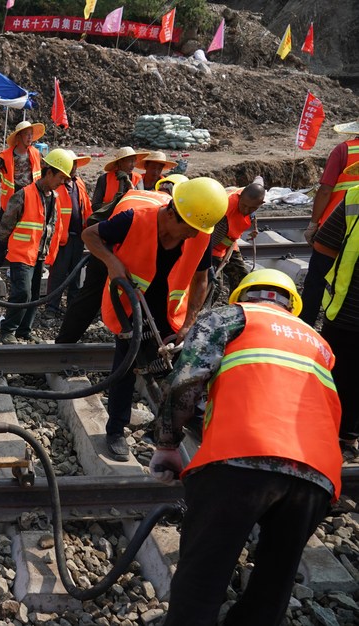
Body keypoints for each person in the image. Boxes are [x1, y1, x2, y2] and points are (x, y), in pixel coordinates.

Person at [150, 269, 341, 626]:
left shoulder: (231, 316)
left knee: (202, 577)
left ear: (243, 295)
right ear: (291, 305)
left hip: (240, 460)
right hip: (318, 474)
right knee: (273, 585)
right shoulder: (318, 341)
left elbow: (185, 381)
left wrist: (167, 444)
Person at [82, 177, 228, 460]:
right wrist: (112, 262)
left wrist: (189, 323)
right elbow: (90, 235)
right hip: (130, 306)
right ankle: (115, 430)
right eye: (188, 229)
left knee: (176, 369)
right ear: (172, 213)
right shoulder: (133, 220)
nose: (191, 236)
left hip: (169, 312)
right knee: (125, 365)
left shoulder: (199, 232)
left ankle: (181, 423)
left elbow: (200, 281)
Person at [53, 175, 188, 344]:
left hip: (122, 243)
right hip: (108, 246)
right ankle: (67, 344)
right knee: (94, 297)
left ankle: (65, 344)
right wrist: (112, 262)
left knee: (91, 299)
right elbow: (90, 234)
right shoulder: (146, 215)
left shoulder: (156, 201)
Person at [304, 180, 359, 456]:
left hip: (345, 313)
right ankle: (340, 436)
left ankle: (343, 436)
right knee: (338, 376)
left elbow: (324, 247)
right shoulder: (354, 198)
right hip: (346, 312)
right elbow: (325, 246)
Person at [0, 149, 72, 344]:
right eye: (60, 177)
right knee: (23, 293)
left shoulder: (53, 197)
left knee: (36, 294)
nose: (62, 182)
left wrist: (48, 252)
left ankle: (24, 330)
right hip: (21, 253)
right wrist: (10, 245)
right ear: (49, 173)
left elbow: (52, 226)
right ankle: (7, 331)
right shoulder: (24, 194)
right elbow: (6, 225)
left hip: (39, 254)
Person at [301, 117, 359, 325]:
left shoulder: (344, 150)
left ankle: (306, 326)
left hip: (333, 230)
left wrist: (313, 224)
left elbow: (325, 190)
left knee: (316, 282)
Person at [0, 121, 45, 272]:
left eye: (31, 134)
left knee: (32, 230)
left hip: (31, 197)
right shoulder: (6, 155)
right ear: (19, 137)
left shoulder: (35, 153)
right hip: (12, 197)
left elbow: (44, 170)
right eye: (27, 134)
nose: (30, 137)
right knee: (4, 230)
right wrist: (4, 181)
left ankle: (35, 261)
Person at [46, 151, 92, 311]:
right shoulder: (57, 184)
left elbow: (86, 206)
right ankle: (52, 307)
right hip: (62, 238)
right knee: (58, 275)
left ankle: (72, 306)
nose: (75, 167)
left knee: (75, 274)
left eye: (76, 164)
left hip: (78, 237)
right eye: (72, 164)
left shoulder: (78, 182)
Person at [208, 182, 265, 291]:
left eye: (252, 208)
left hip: (229, 244)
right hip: (212, 247)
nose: (246, 210)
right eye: (244, 206)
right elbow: (209, 239)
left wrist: (254, 227)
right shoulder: (224, 207)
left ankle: (237, 305)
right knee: (213, 286)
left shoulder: (250, 198)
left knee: (242, 281)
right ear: (240, 197)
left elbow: (251, 214)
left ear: (260, 204)